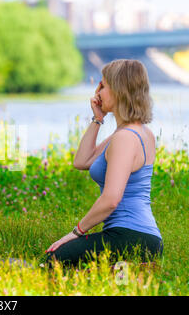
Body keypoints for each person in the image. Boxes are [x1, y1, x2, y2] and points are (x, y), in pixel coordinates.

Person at [45, 59, 163, 267]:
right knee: (63, 259)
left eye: (103, 85)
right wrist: (98, 118)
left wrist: (75, 233)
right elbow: (82, 161)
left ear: (118, 91)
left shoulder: (125, 138)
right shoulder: (136, 132)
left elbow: (111, 199)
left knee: (55, 259)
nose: (97, 92)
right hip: (143, 237)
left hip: (130, 236)